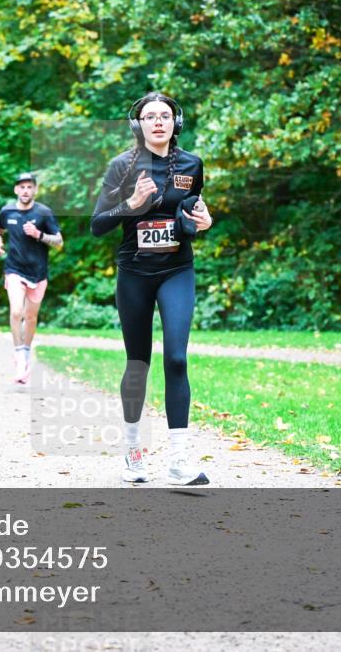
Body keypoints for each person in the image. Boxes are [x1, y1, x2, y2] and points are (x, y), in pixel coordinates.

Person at [91, 92, 214, 486]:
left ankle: (179, 459)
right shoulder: (122, 167)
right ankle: (133, 451)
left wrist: (204, 219)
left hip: (177, 269)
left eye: (164, 116)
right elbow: (97, 225)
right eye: (149, 116)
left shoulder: (192, 164)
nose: (158, 122)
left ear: (175, 123)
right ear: (138, 125)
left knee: (176, 357)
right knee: (138, 363)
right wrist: (132, 202)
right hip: (135, 273)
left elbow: (191, 213)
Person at [0, 172, 63, 383]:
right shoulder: (7, 210)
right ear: (16, 190)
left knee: (31, 317)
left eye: (29, 187)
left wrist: (39, 235)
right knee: (16, 311)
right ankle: (19, 354)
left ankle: (26, 350)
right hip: (14, 269)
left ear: (35, 190)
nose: (25, 191)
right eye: (21, 187)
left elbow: (59, 241)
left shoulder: (43, 213)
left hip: (38, 273)